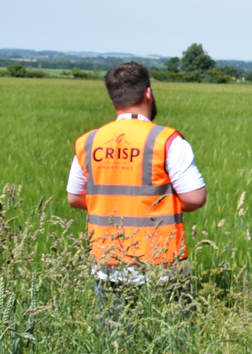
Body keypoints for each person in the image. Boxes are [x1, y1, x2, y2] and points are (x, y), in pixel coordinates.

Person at [67, 62, 208, 304]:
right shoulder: (165, 140)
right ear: (148, 93)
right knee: (171, 338)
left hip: (107, 263)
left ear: (114, 100)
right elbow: (195, 198)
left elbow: (75, 197)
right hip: (161, 267)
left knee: (113, 339)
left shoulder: (89, 141)